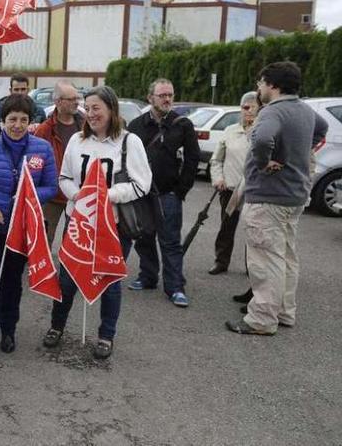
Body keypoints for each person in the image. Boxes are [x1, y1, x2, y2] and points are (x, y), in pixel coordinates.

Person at [42, 86, 152, 359]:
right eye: (87, 108)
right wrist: (78, 195)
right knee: (67, 279)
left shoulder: (129, 142)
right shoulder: (78, 141)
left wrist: (107, 196)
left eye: (96, 108)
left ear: (111, 110)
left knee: (109, 284)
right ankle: (57, 325)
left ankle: (106, 335)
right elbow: (64, 178)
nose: (90, 114)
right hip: (78, 223)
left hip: (113, 228)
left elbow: (142, 185)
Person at [226, 61, 328, 335]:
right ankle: (284, 311)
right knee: (286, 256)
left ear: (272, 85)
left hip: (269, 197)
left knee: (265, 259)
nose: (258, 88)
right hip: (294, 197)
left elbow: (261, 141)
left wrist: (264, 162)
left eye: (261, 83)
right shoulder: (306, 111)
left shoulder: (273, 112)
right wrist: (299, 153)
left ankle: (261, 319)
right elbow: (322, 127)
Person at [0, 93, 57, 361]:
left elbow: (51, 186)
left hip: (23, 229)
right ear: (2, 121)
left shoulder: (42, 149)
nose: (17, 125)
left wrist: (30, 197)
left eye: (23, 119)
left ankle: (8, 329)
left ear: (30, 122)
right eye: (12, 119)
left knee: (13, 282)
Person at [126, 78, 199, 307]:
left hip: (169, 194)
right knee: (143, 238)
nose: (167, 99)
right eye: (162, 95)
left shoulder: (183, 124)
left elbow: (193, 158)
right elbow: (126, 157)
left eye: (170, 94)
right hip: (141, 194)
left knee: (170, 242)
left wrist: (181, 189)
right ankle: (147, 277)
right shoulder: (136, 125)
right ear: (150, 98)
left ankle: (175, 287)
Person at [208, 92, 258, 276]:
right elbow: (217, 160)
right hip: (230, 190)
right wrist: (218, 178)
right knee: (226, 228)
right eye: (246, 107)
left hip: (254, 191)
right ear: (240, 108)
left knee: (253, 230)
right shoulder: (230, 131)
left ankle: (252, 266)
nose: (249, 111)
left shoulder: (263, 132)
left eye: (254, 107)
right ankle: (221, 261)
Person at [34, 80, 85, 244]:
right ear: (58, 102)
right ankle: (41, 269)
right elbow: (35, 163)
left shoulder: (85, 126)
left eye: (77, 98)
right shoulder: (44, 129)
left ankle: (67, 270)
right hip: (52, 196)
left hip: (78, 195)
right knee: (44, 240)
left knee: (74, 242)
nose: (76, 102)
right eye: (71, 99)